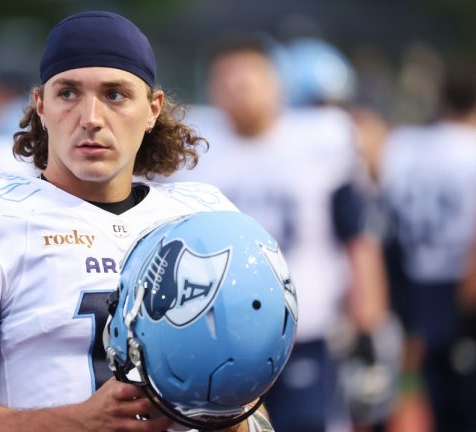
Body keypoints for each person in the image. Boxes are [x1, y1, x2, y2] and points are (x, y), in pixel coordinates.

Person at [0, 11, 274, 432]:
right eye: (68, 93)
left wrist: (222, 414)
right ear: (41, 106)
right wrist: (80, 421)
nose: (91, 118)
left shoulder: (202, 222)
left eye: (115, 94)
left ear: (153, 109)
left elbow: (256, 419)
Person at [169, 38, 390, 432]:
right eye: (227, 78)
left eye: (250, 76)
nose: (239, 87)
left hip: (305, 330)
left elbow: (356, 235)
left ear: (277, 84)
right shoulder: (192, 146)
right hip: (214, 340)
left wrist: (368, 326)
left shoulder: (322, 138)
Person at [380, 66, 476, 432]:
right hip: (461, 279)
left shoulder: (408, 145)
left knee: (433, 390)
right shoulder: (469, 149)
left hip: (415, 275)